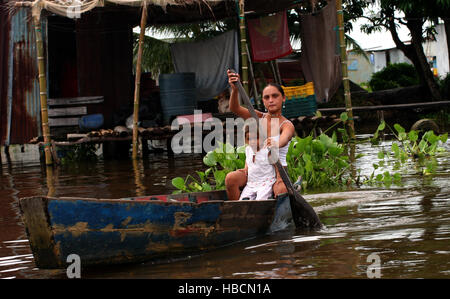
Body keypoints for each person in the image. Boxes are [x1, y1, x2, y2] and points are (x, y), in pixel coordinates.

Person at [225, 70, 296, 201]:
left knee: (281, 190)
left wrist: (276, 143)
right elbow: (235, 108)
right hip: (255, 171)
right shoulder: (257, 117)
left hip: (277, 174)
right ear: (263, 101)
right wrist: (234, 89)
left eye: (275, 96)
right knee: (231, 178)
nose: (271, 100)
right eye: (267, 97)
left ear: (283, 98)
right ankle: (236, 211)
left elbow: (284, 138)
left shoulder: (286, 124)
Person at [239, 125, 276, 201]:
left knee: (260, 200)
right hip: (251, 183)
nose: (253, 141)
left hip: (266, 182)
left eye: (256, 138)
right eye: (249, 139)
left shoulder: (267, 150)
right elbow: (248, 161)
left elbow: (276, 165)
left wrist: (279, 179)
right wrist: (245, 168)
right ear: (246, 140)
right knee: (242, 201)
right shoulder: (248, 149)